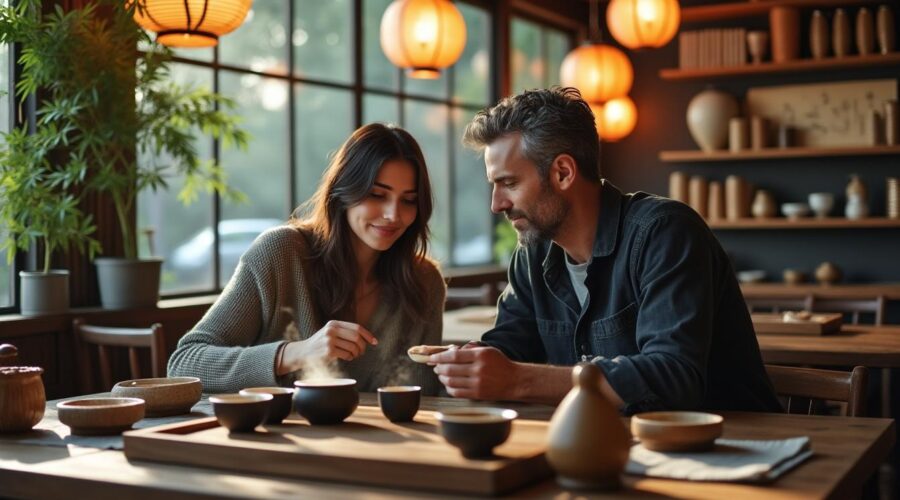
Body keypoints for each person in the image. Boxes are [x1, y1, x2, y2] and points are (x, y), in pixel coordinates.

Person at [431, 87, 781, 415]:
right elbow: (510, 348)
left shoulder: (664, 232)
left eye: (509, 183)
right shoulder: (533, 254)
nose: (496, 204)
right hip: (607, 447)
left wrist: (517, 380)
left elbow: (674, 379)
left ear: (563, 172)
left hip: (735, 451)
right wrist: (469, 364)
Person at [169, 123, 446, 394]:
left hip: (377, 438)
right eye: (377, 194)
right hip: (277, 439)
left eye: (408, 200)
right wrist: (297, 352)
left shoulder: (425, 282)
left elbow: (425, 394)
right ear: (343, 192)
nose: (393, 215)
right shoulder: (281, 253)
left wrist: (459, 376)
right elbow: (184, 363)